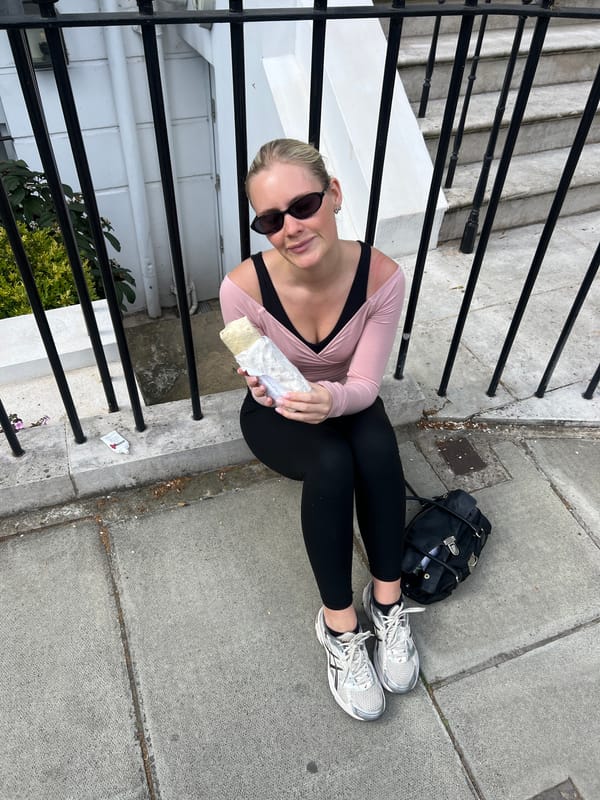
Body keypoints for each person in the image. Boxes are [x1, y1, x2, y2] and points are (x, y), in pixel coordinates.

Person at [219, 138, 424, 721]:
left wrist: (329, 400)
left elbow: (365, 385)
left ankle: (388, 600)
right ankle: (338, 626)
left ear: (333, 194)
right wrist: (260, 387)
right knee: (332, 463)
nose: (290, 228)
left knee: (377, 450)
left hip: (346, 397)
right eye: (270, 219)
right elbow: (256, 377)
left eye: (303, 205)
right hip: (279, 413)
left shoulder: (382, 277)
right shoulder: (240, 291)